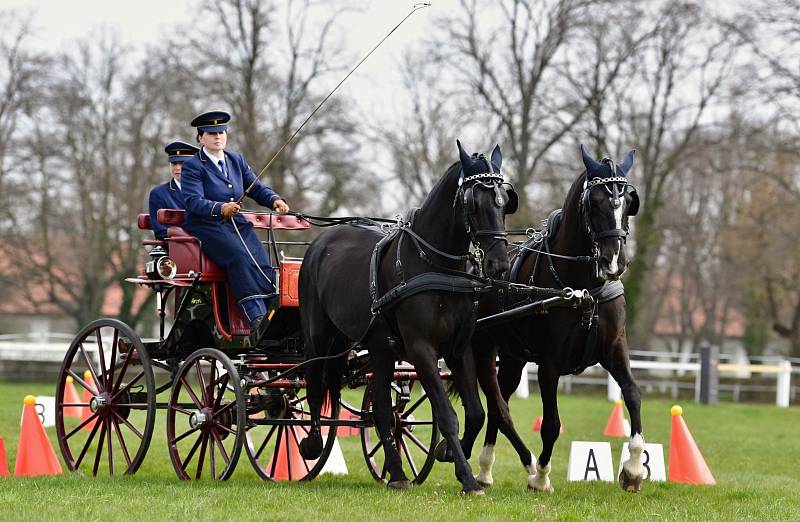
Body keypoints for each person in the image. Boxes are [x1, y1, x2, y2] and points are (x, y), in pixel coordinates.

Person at [180, 110, 290, 346]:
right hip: (206, 225)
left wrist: (274, 200)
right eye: (211, 134)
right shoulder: (193, 166)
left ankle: (276, 317)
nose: (217, 137)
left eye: (221, 132)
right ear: (200, 138)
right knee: (239, 257)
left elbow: (255, 187)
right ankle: (256, 318)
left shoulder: (235, 160)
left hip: (235, 223)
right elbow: (192, 202)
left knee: (261, 258)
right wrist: (221, 208)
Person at [148, 141, 198, 241]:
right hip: (176, 247)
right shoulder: (159, 194)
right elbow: (160, 231)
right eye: (174, 163)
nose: (177, 168)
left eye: (182, 163)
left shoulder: (206, 189)